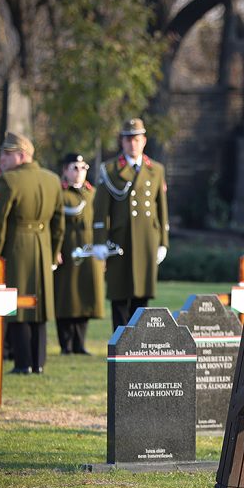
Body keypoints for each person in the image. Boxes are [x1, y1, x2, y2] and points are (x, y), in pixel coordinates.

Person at [0, 132, 64, 374]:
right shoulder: (52, 179)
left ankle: (22, 362)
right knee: (38, 306)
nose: (2, 159)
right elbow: (59, 224)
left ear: (22, 155)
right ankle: (38, 363)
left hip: (15, 248)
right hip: (43, 246)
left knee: (13, 305)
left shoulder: (8, 180)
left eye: (7, 154)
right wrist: (53, 253)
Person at [92, 117, 169, 331]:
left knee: (141, 297)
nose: (132, 144)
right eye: (128, 140)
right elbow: (100, 210)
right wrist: (99, 241)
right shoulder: (109, 170)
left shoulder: (156, 170)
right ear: (122, 142)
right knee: (119, 294)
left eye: (136, 139)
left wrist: (163, 241)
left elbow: (161, 209)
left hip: (146, 240)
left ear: (144, 141)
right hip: (120, 240)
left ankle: (140, 346)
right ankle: (120, 345)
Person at [54, 153, 104, 354]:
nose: (79, 172)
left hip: (89, 251)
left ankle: (80, 344)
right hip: (67, 250)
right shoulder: (59, 194)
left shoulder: (91, 194)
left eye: (83, 168)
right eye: (75, 168)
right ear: (65, 170)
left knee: (84, 297)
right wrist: (55, 250)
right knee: (66, 297)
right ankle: (65, 344)